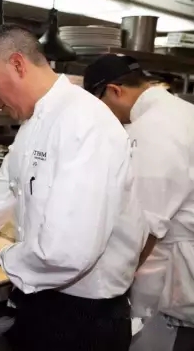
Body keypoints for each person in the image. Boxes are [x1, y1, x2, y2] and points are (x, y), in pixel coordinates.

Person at [0, 24, 146, 351]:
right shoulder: (33, 125)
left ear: (17, 64)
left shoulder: (85, 122)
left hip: (84, 317)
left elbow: (66, 253)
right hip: (42, 302)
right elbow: (0, 192)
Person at [83, 54, 194, 351]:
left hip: (173, 272)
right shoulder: (182, 111)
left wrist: (114, 280)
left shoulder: (155, 128)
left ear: (114, 91)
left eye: (100, 106)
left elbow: (146, 224)